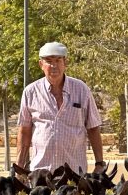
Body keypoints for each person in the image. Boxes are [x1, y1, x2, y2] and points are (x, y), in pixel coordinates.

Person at [16, 42, 105, 173]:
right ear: (41, 64)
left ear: (65, 63)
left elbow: (93, 128)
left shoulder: (81, 90)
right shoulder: (30, 92)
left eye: (58, 60)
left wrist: (99, 163)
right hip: (41, 173)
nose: (54, 66)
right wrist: (19, 169)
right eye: (48, 61)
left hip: (74, 172)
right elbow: (24, 133)